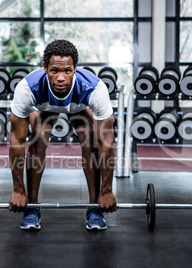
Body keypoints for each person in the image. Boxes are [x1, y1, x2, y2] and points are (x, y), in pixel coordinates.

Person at [8, 39, 117, 231]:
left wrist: (107, 191)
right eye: (54, 70)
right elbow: (17, 140)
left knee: (90, 139)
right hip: (45, 107)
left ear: (75, 68)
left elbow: (106, 143)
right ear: (45, 68)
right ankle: (32, 208)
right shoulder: (27, 88)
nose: (60, 78)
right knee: (38, 139)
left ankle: (94, 209)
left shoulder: (95, 89)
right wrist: (18, 190)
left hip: (80, 107)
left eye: (67, 71)